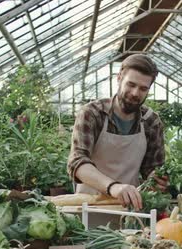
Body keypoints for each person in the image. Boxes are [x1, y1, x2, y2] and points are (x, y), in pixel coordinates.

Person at [67, 54, 167, 210]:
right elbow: (77, 163)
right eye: (131, 84)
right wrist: (113, 187)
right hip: (89, 206)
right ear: (119, 77)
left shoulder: (151, 122)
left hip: (129, 211)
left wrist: (157, 180)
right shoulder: (93, 114)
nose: (135, 93)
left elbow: (153, 170)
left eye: (143, 88)